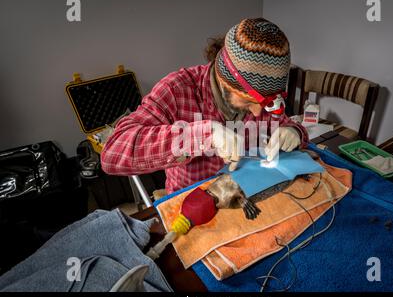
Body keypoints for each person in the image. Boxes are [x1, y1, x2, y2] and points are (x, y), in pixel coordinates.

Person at [101, 18, 309, 194]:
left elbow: (287, 125)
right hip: (194, 201)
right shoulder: (177, 89)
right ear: (224, 80)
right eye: (248, 101)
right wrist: (204, 135)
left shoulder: (264, 104)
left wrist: (294, 131)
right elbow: (113, 153)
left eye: (266, 103)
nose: (257, 112)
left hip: (246, 193)